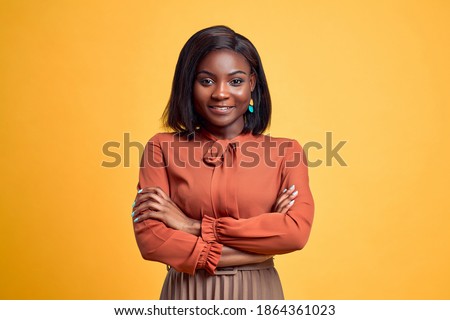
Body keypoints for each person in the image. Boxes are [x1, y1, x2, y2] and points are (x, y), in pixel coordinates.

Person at [131, 25, 314, 300]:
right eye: (206, 81)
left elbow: (295, 234)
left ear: (252, 84)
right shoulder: (161, 148)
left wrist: (192, 227)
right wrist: (262, 241)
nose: (220, 93)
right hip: (186, 295)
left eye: (236, 81)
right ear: (188, 84)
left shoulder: (287, 152)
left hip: (258, 295)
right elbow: (151, 241)